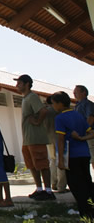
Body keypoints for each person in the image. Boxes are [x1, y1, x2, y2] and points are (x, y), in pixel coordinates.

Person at [52, 91, 94, 219]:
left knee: (76, 185)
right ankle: (91, 208)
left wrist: (60, 160)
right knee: (87, 181)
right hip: (84, 154)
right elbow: (91, 132)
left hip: (71, 156)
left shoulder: (60, 118)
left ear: (60, 104)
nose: (53, 106)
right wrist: (82, 138)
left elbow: (60, 140)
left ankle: (85, 213)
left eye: (54, 103)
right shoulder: (78, 115)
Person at [15, 74, 54, 200]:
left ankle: (48, 191)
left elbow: (43, 111)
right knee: (31, 164)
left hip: (36, 138)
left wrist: (37, 122)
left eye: (19, 83)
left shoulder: (32, 97)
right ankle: (39, 189)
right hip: (28, 139)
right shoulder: (25, 98)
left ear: (27, 84)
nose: (17, 85)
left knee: (41, 163)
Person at [44, 96, 67, 192]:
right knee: (61, 160)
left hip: (49, 139)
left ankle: (53, 183)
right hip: (58, 138)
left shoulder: (45, 112)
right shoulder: (57, 111)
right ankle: (61, 186)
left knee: (52, 161)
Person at [73, 85, 94, 169]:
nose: (74, 94)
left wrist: (84, 131)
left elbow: (91, 118)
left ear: (83, 92)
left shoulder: (88, 104)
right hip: (82, 136)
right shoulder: (77, 106)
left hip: (89, 135)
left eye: (76, 92)